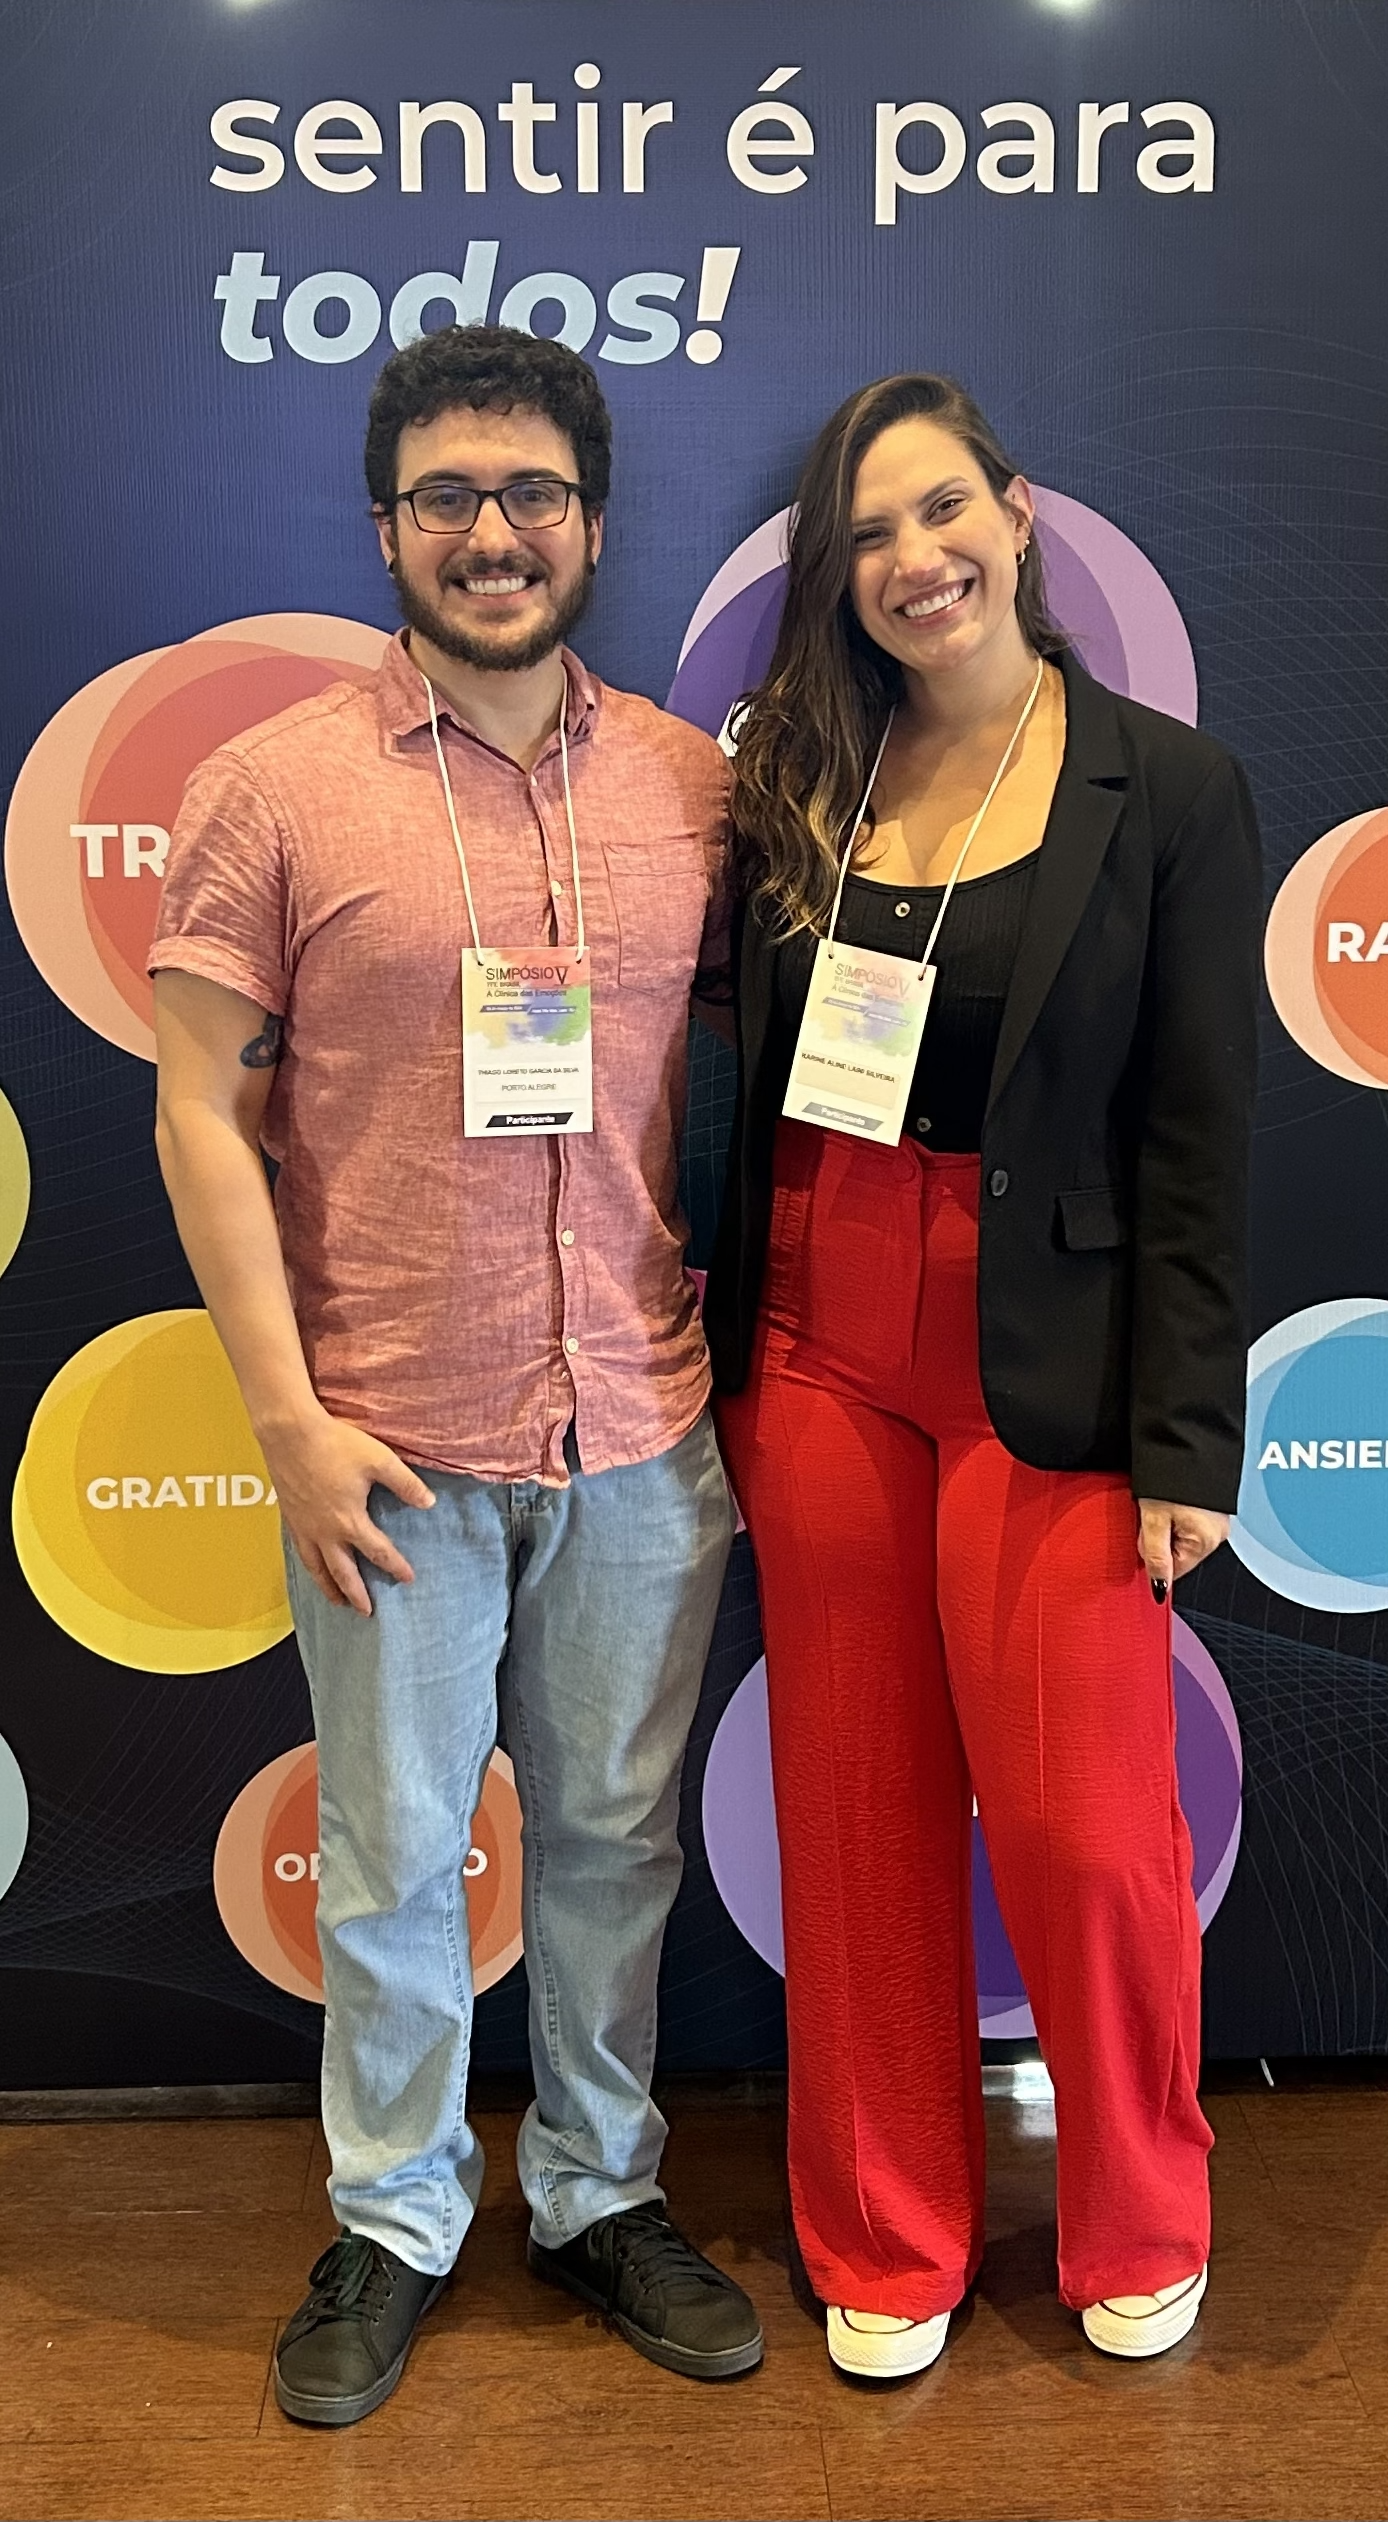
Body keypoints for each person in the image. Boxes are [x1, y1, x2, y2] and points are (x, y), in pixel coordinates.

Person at [151, 323, 761, 2426]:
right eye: (447, 496)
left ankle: (599, 2191)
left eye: (531, 495)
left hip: (641, 1426)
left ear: (591, 523)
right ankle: (396, 2215)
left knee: (613, 1842)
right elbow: (197, 1110)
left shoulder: (691, 786)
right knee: (400, 1857)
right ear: (385, 523)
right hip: (387, 1440)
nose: (491, 533)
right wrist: (287, 1425)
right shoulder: (275, 785)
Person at [705, 372, 1261, 2380]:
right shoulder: (794, 775)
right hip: (813, 1336)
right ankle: (884, 2227)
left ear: (1016, 516)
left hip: (1053, 1351)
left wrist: (1186, 1437)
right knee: (853, 1814)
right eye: (866, 534)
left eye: (941, 511)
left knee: (1088, 1824)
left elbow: (1198, 1139)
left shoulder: (1166, 790)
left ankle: (1142, 2206)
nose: (911, 559)